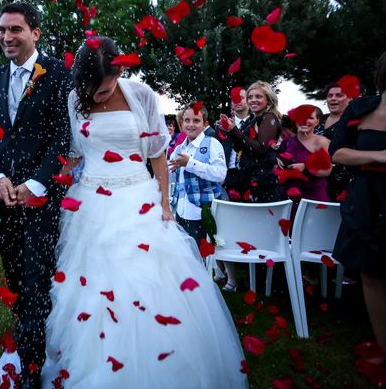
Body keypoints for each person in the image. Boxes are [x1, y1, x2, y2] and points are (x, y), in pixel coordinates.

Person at [41, 37, 247, 388]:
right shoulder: (75, 98)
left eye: (103, 90)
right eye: (90, 90)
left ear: (119, 72)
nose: (96, 97)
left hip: (137, 198)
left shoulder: (142, 95)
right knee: (92, 286)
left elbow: (156, 155)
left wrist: (165, 204)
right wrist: (47, 183)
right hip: (90, 202)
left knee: (145, 282)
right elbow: (76, 152)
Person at [0, 2, 72, 388]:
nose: (6, 37)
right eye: (2, 30)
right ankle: (29, 337)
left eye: (15, 29)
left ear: (35, 33)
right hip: (1, 196)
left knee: (37, 279)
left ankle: (31, 367)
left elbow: (61, 136)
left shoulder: (58, 75)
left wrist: (33, 184)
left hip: (40, 199)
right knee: (15, 279)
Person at [331, 52, 386, 365]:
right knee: (372, 274)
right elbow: (337, 153)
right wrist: (378, 157)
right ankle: (383, 347)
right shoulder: (361, 109)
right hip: (368, 198)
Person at [170, 103, 227, 247]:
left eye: (196, 120)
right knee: (185, 256)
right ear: (182, 123)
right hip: (180, 211)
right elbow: (171, 177)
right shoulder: (179, 148)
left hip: (201, 212)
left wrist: (190, 163)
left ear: (205, 124)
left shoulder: (212, 144)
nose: (190, 125)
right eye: (187, 120)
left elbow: (220, 174)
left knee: (202, 255)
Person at [220, 81, 282, 203]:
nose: (253, 100)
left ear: (268, 100)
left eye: (258, 96)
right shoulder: (253, 120)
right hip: (248, 177)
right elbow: (239, 147)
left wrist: (234, 130)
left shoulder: (269, 117)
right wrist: (229, 130)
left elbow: (261, 148)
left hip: (262, 180)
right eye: (250, 97)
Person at [278, 105, 331, 220]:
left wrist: (305, 168)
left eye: (310, 118)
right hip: (289, 199)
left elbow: (327, 170)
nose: (305, 121)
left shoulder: (322, 142)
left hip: (314, 199)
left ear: (317, 121)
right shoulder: (286, 143)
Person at [315, 82, 354, 201]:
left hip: (344, 184)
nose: (333, 99)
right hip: (317, 182)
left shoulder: (354, 123)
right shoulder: (319, 120)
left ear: (350, 98)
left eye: (339, 95)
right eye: (330, 96)